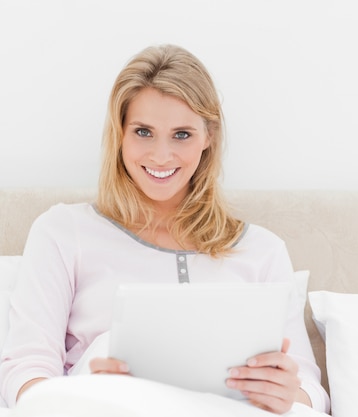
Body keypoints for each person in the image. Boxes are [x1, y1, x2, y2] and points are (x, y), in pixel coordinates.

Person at [0, 44, 330, 414]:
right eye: (143, 132)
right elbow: (24, 376)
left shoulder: (262, 250)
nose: (160, 156)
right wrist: (87, 390)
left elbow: (312, 395)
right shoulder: (62, 232)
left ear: (208, 138)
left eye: (182, 134)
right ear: (119, 135)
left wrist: (291, 393)